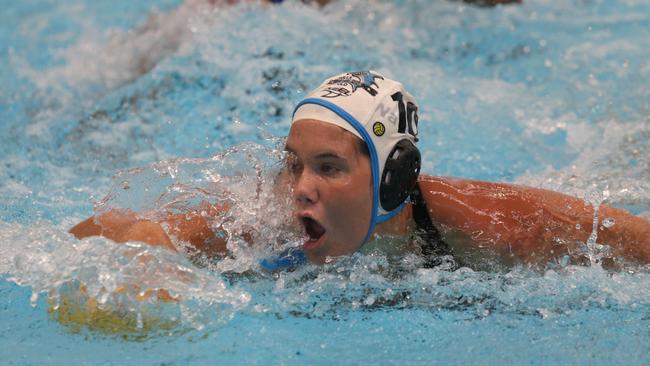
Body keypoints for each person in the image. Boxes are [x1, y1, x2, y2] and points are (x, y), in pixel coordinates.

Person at [70, 71, 650, 271]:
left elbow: (634, 244)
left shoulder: (493, 225)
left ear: (391, 181)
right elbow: (105, 234)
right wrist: (146, 267)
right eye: (293, 164)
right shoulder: (263, 224)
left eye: (328, 167)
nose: (300, 188)